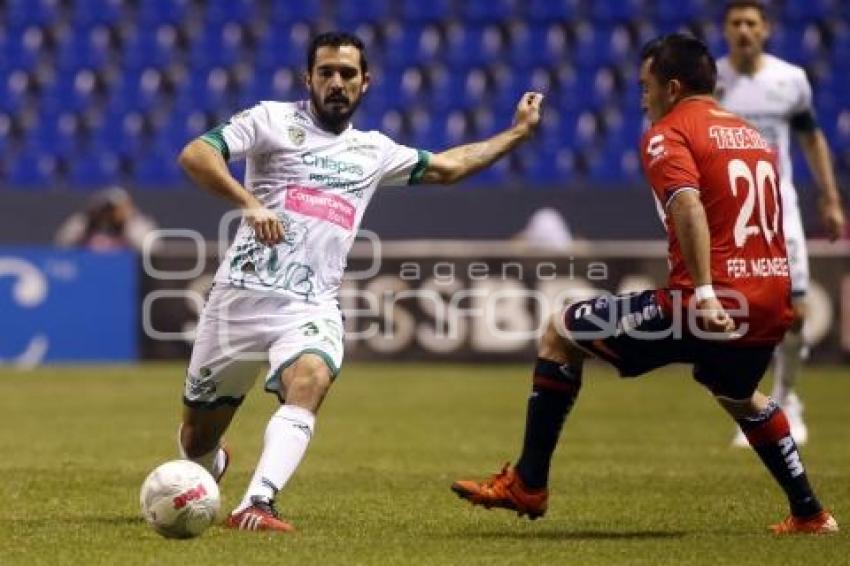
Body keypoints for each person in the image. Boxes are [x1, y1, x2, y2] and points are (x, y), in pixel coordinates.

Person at [451, 34, 837, 535]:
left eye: (645, 87)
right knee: (738, 393)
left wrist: (701, 291)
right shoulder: (750, 136)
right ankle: (810, 512)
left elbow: (687, 204)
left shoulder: (668, 133)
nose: (642, 97)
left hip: (706, 302)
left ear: (672, 87)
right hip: (767, 301)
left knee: (560, 332)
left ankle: (528, 482)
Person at [175, 31, 543, 532]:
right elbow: (197, 153)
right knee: (196, 440)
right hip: (238, 301)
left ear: (365, 83)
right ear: (308, 79)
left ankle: (256, 504)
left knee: (311, 379)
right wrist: (251, 204)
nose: (336, 82)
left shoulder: (373, 151)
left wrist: (517, 133)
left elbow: (449, 167)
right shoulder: (270, 120)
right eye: (326, 72)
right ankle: (212, 465)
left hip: (309, 306)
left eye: (348, 74)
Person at [717, 0, 846, 447]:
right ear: (725, 29)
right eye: (736, 23)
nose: (744, 31)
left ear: (766, 29)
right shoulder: (710, 82)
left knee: (792, 311)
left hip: (780, 214)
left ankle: (787, 400)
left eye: (752, 23)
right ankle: (750, 408)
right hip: (729, 219)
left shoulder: (790, 80)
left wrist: (830, 199)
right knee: (740, 317)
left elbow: (812, 138)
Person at [54, 186, 157, 252]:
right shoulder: (86, 224)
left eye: (114, 209)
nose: (110, 214)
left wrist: (128, 222)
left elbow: (153, 251)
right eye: (106, 209)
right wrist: (85, 222)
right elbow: (61, 246)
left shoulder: (135, 225)